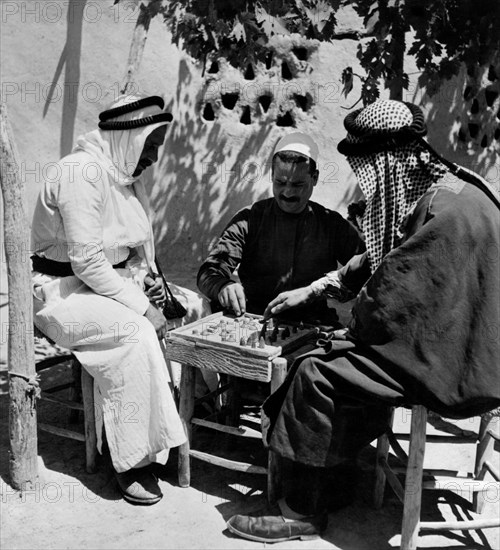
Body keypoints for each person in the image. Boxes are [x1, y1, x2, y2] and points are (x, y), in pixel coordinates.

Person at [226, 99, 500, 542]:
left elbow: (393, 301)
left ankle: (302, 509)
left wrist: (348, 331)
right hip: (467, 347)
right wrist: (316, 289)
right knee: (335, 355)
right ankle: (338, 478)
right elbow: (381, 258)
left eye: (367, 166)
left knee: (315, 370)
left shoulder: (440, 212)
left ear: (386, 161)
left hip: (458, 365)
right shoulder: (448, 188)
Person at [31, 94, 187, 506]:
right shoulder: (80, 172)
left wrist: (147, 282)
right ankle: (131, 461)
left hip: (104, 284)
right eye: (150, 146)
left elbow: (131, 248)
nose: (153, 157)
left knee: (188, 308)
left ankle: (161, 441)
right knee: (135, 333)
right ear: (129, 139)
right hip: (58, 293)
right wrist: (142, 306)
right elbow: (86, 263)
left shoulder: (123, 174)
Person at [197, 132, 364, 326]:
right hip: (256, 318)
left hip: (312, 321)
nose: (288, 192)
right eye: (280, 183)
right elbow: (208, 272)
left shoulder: (331, 224)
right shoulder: (250, 218)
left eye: (298, 184)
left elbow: (366, 269)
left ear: (315, 178)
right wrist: (222, 286)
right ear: (271, 176)